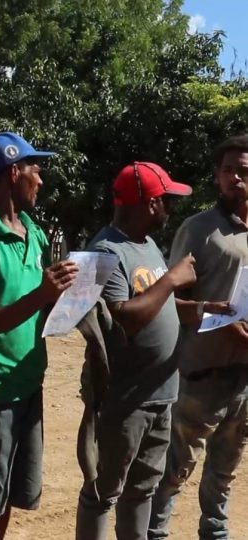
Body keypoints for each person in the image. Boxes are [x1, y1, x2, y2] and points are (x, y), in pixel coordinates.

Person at [0, 132, 79, 540]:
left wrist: (72, 297)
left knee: (7, 500)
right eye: (36, 171)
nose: (41, 181)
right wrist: (44, 292)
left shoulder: (34, 232)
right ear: (13, 172)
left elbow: (43, 305)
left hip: (27, 383)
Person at [74, 162, 197, 540]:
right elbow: (124, 316)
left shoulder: (147, 247)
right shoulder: (105, 251)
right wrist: (174, 279)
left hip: (159, 394)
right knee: (103, 491)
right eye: (166, 200)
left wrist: (201, 309)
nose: (170, 209)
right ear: (147, 203)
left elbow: (154, 304)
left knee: (142, 489)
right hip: (123, 400)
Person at [148, 136, 248, 539]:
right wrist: (219, 318)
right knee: (175, 471)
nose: (236, 178)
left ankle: (216, 534)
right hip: (200, 375)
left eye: (244, 170)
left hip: (244, 380)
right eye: (228, 170)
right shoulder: (200, 230)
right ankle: (154, 533)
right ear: (217, 176)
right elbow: (167, 299)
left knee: (224, 473)